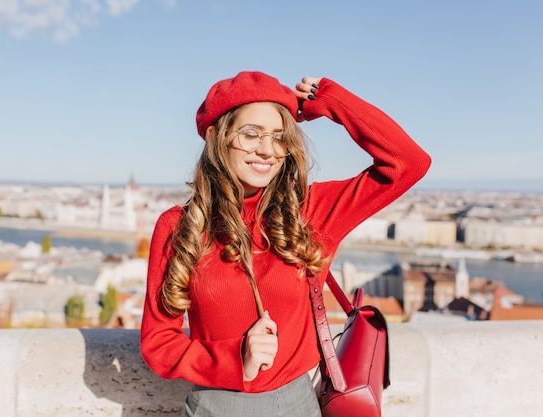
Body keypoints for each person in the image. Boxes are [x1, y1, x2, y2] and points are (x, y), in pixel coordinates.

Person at [140, 71, 431, 417]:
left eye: (279, 137)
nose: (267, 150)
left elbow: (408, 163)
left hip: (298, 405)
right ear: (219, 138)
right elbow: (158, 342)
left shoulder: (311, 213)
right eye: (251, 134)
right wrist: (233, 360)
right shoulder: (179, 227)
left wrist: (331, 102)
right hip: (215, 407)